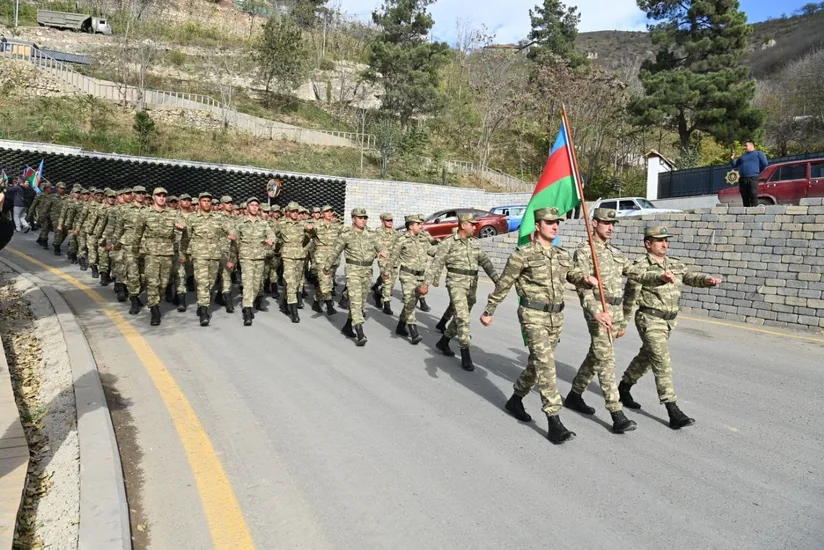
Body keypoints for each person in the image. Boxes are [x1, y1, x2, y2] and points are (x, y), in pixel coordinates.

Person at [480, 207, 589, 444]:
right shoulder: (523, 254)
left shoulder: (561, 254)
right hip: (532, 314)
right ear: (537, 225)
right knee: (546, 364)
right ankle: (554, 420)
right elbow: (504, 283)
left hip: (556, 317)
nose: (554, 226)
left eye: (557, 222)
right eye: (549, 222)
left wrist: (586, 279)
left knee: (537, 362)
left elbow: (573, 275)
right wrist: (490, 309)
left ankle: (516, 399)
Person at [619, 225, 722, 429]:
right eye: (660, 240)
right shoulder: (639, 267)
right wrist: (622, 323)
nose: (665, 244)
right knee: (662, 360)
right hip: (650, 319)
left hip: (669, 321)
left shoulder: (674, 264)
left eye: (666, 240)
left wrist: (707, 281)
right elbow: (629, 298)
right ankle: (672, 409)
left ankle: (624, 387)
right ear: (648, 244)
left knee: (648, 357)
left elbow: (689, 277)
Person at [565, 208, 637, 434]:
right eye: (606, 222)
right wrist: (595, 311)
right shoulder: (585, 252)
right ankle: (616, 412)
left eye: (613, 223)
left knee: (597, 354)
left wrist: (659, 275)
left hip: (614, 309)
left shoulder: (615, 252)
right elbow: (583, 288)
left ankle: (575, 395)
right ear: (594, 223)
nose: (611, 227)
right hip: (598, 309)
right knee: (606, 357)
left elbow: (636, 273)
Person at [420, 214, 499, 371]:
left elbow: (486, 263)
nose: (475, 227)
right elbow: (437, 264)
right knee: (463, 318)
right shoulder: (449, 243)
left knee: (460, 317)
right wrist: (426, 283)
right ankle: (465, 354)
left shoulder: (474, 244)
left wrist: (499, 281)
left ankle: (444, 341)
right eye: (472, 224)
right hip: (456, 284)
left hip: (471, 285)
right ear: (463, 225)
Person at [322, 208, 387, 347]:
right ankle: (359, 330)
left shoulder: (371, 234)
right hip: (353, 271)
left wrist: (383, 252)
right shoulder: (346, 235)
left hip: (367, 271)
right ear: (353, 219)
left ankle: (347, 327)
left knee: (361, 301)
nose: (363, 220)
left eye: (365, 218)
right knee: (356, 301)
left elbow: (381, 247)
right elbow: (335, 252)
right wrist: (326, 268)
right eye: (360, 217)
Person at [179, 192, 234, 326]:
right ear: (199, 203)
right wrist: (183, 254)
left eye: (209, 201)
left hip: (215, 255)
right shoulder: (192, 218)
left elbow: (230, 229)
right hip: (199, 254)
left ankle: (201, 304)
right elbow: (186, 237)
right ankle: (204, 311)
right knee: (202, 282)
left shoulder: (218, 218)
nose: (207, 203)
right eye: (204, 201)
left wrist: (232, 233)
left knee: (209, 282)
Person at [133, 188, 179, 326]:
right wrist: (136, 249)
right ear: (153, 197)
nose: (161, 198)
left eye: (164, 195)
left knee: (163, 283)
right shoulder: (145, 213)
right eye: (159, 195)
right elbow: (138, 232)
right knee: (152, 282)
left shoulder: (173, 213)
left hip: (167, 252)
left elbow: (180, 232)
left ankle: (157, 301)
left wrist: (180, 229)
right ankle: (154, 310)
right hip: (151, 252)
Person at [229, 197, 276, 326]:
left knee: (256, 285)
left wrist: (271, 240)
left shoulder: (263, 223)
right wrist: (232, 260)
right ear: (247, 207)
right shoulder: (240, 222)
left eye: (256, 205)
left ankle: (249, 302)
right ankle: (247, 311)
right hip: (246, 257)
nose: (254, 207)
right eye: (252, 205)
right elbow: (234, 243)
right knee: (248, 283)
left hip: (260, 256)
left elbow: (272, 235)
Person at [387, 214, 430, 345]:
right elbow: (393, 257)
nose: (421, 226)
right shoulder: (402, 240)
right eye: (418, 224)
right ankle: (414, 332)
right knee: (410, 301)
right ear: (411, 226)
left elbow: (432, 250)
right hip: (407, 275)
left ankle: (401, 325)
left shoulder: (422, 239)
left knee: (411, 302)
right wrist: (386, 272)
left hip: (421, 276)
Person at [277, 202, 311, 323]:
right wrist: (277, 250)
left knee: (295, 282)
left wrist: (310, 230)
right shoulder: (281, 224)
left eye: (297, 211)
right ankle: (294, 311)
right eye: (293, 211)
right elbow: (274, 235)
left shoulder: (302, 224)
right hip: (288, 256)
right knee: (291, 281)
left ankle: (285, 302)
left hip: (300, 256)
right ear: (288, 212)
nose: (295, 213)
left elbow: (310, 237)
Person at [308, 205, 342, 316]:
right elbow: (306, 237)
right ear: (322, 214)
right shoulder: (316, 226)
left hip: (332, 258)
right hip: (321, 258)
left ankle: (316, 301)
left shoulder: (336, 226)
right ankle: (329, 304)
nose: (329, 213)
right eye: (326, 211)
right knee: (324, 281)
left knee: (328, 282)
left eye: (331, 211)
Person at [372, 212, 399, 314]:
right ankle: (387, 304)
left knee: (391, 283)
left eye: (391, 220)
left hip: (395, 260)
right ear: (382, 221)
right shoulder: (378, 232)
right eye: (388, 220)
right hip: (383, 259)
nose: (390, 222)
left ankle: (378, 294)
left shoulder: (396, 233)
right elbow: (377, 244)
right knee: (387, 281)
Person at [730, 140, 768, 207]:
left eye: (746, 145)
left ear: (752, 145)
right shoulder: (742, 157)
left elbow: (765, 163)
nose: (744, 147)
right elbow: (734, 165)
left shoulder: (758, 153)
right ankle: (746, 211)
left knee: (753, 194)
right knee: (744, 196)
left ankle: (754, 210)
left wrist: (757, 171)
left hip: (753, 177)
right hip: (743, 178)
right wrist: (732, 159)